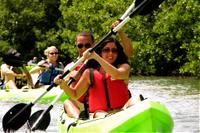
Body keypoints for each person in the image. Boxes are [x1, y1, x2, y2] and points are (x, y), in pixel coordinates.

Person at [55, 37, 131, 119]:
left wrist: (96, 57)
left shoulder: (124, 67)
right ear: (100, 52)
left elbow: (116, 75)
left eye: (114, 50)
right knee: (99, 114)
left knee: (136, 99)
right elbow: (75, 95)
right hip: (101, 115)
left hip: (123, 111)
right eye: (106, 50)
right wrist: (63, 84)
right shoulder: (89, 73)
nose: (110, 53)